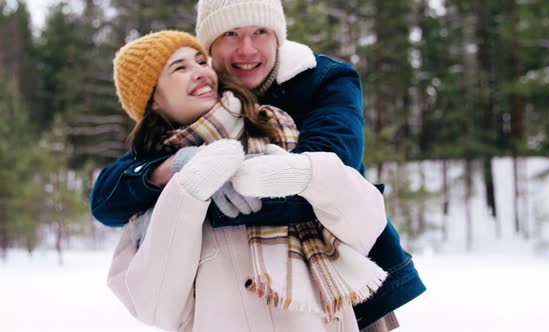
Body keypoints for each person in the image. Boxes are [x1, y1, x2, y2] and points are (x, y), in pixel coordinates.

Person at [90, 0, 425, 329]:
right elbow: (109, 199)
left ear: (277, 36)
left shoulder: (319, 82)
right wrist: (179, 171)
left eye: (260, 32)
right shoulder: (179, 131)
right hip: (227, 302)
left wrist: (222, 183)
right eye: (231, 34)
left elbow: (335, 168)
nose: (246, 50)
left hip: (343, 290)